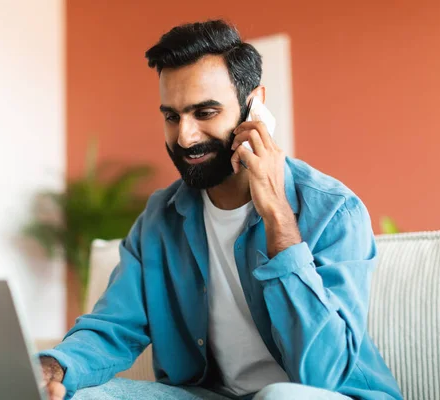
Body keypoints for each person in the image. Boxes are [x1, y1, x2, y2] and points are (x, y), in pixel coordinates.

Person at [38, 20, 402, 400]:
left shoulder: (334, 211)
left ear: (254, 107)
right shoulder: (160, 219)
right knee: (84, 396)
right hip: (211, 395)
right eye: (172, 116)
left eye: (205, 113)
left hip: (324, 395)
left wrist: (277, 213)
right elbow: (112, 326)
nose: (185, 136)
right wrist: (53, 368)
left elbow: (324, 372)